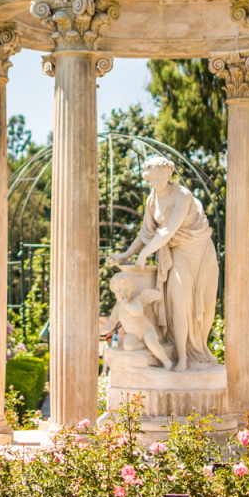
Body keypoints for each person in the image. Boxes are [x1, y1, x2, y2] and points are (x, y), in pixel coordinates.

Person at [108, 155, 218, 371]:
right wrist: (126, 254)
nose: (157, 181)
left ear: (169, 175)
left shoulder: (182, 195)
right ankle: (182, 358)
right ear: (147, 177)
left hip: (201, 252)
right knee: (179, 301)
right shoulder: (152, 201)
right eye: (153, 178)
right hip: (178, 253)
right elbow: (146, 233)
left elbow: (168, 230)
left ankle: (201, 349)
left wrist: (145, 253)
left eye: (161, 177)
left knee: (207, 305)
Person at [101, 272, 173, 371]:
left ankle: (166, 361)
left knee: (153, 344)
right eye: (119, 291)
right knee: (128, 346)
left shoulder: (135, 301)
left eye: (125, 290)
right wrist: (105, 329)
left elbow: (137, 311)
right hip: (133, 335)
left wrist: (125, 304)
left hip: (146, 330)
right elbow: (112, 321)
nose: (122, 293)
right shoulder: (117, 308)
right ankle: (145, 346)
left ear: (131, 289)